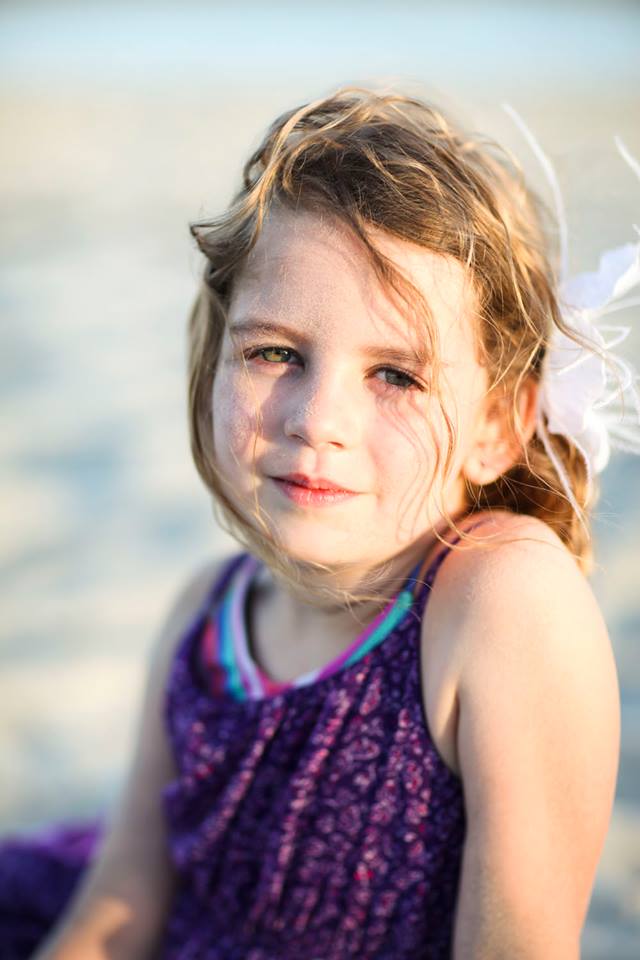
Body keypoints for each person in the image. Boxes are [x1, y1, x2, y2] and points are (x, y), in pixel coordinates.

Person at [1, 85, 637, 959]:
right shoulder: (202, 617)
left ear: (499, 425)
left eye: (397, 376)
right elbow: (118, 905)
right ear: (213, 359)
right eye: (275, 353)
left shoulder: (498, 604)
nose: (316, 418)